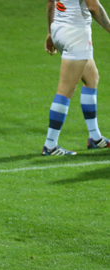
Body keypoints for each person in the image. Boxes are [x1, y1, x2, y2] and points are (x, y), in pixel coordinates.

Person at [42, 0, 110, 155]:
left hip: (59, 29)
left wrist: (51, 32)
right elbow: (93, 6)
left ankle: (95, 137)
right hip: (76, 34)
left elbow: (50, 3)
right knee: (65, 90)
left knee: (91, 78)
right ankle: (50, 146)